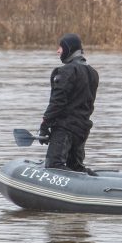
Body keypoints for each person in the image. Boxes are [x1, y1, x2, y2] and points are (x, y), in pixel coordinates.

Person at [39, 33, 100, 174]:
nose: (58, 51)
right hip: (82, 129)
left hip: (65, 129)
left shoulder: (67, 71)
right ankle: (90, 183)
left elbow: (57, 102)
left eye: (60, 47)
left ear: (69, 49)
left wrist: (45, 125)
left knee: (54, 166)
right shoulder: (93, 73)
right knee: (75, 167)